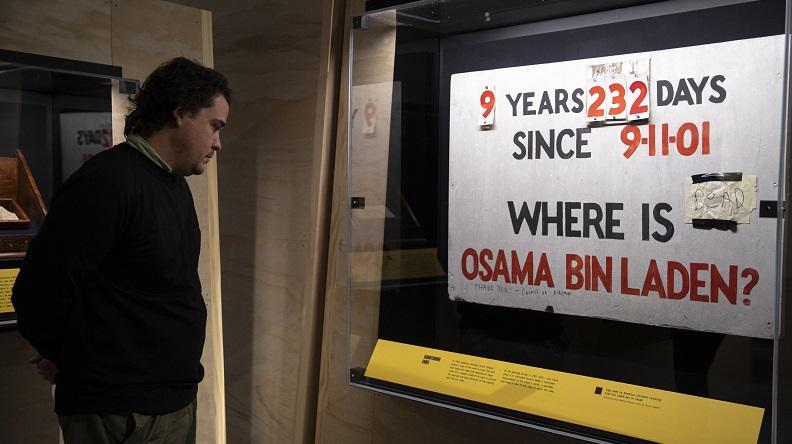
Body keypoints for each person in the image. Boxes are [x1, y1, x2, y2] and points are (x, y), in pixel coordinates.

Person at [11, 57, 230, 444]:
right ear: (180, 112)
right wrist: (69, 358)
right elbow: (38, 292)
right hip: (119, 411)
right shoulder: (107, 183)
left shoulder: (173, 184)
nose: (218, 143)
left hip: (171, 401)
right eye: (214, 126)